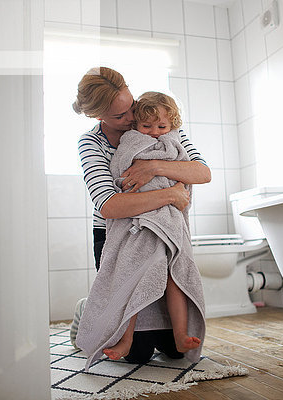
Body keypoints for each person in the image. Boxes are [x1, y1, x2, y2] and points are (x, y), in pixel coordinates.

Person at [71, 67, 211, 364]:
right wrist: (171, 195)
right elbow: (108, 205)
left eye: (130, 106)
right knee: (137, 354)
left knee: (175, 351)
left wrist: (155, 167)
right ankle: (90, 309)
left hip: (162, 228)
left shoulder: (157, 123)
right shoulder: (91, 143)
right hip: (119, 234)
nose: (132, 119)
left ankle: (159, 326)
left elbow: (201, 171)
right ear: (99, 117)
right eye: (120, 116)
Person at [100, 91, 202, 360]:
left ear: (172, 124)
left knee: (174, 277)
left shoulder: (177, 140)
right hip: (138, 224)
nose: (155, 133)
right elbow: (119, 178)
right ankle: (125, 338)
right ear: (136, 125)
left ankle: (180, 335)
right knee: (132, 276)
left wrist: (156, 168)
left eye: (162, 127)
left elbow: (201, 173)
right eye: (147, 127)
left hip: (169, 222)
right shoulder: (128, 142)